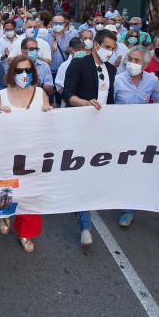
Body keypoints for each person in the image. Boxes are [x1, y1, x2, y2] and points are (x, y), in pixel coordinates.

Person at [62, 29, 118, 249]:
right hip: (79, 124)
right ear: (95, 45)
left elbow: (112, 99)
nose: (110, 52)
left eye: (113, 49)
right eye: (107, 47)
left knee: (90, 171)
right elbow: (67, 94)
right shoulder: (78, 64)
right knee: (82, 171)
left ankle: (80, 202)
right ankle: (85, 224)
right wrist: (85, 103)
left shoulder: (112, 70)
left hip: (102, 129)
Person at [113, 48, 159, 227]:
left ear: (145, 64)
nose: (133, 63)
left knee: (134, 171)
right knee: (118, 169)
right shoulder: (117, 80)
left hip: (142, 135)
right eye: (131, 59)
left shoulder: (152, 81)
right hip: (119, 133)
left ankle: (128, 209)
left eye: (137, 60)